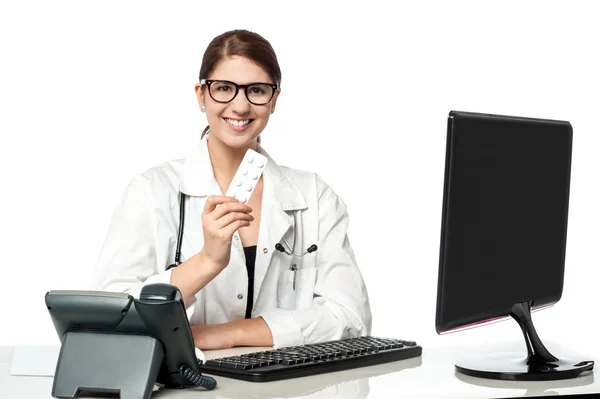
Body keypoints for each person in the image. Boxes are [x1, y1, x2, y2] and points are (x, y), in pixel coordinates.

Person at [92, 29, 372, 350]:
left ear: (274, 99)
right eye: (224, 88)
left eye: (256, 90)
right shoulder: (151, 193)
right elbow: (111, 313)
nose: (240, 106)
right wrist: (207, 261)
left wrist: (227, 334)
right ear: (201, 95)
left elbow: (351, 318)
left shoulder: (314, 197)